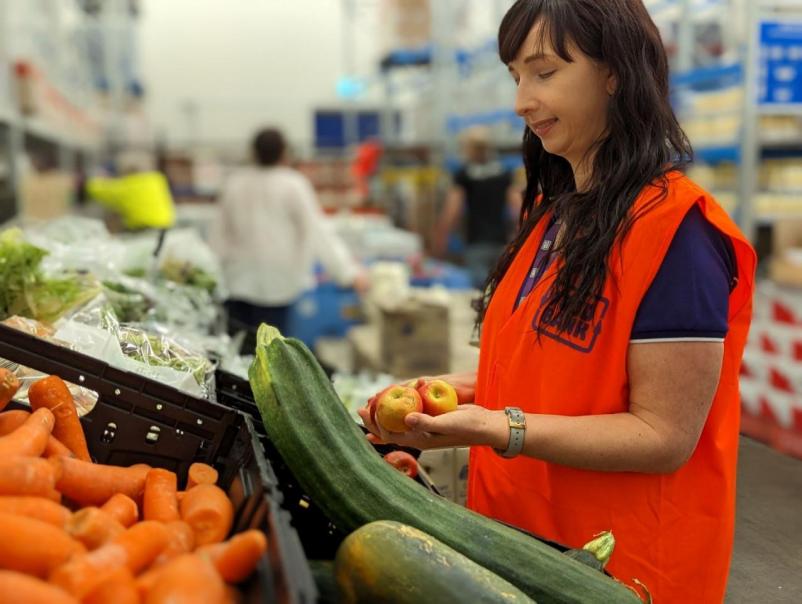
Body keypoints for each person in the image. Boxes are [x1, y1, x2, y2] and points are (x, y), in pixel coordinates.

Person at [359, 1, 756, 601]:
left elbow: (663, 433)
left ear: (614, 73)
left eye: (544, 73)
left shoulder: (679, 233)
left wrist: (500, 428)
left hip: (618, 571)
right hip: (521, 547)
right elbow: (554, 366)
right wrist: (454, 394)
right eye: (515, 76)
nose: (521, 101)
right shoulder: (554, 218)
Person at [212, 127, 367, 346]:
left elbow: (218, 236)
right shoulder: (293, 184)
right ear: (284, 153)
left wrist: (212, 276)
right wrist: (348, 273)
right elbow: (318, 232)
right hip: (278, 287)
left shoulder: (234, 184)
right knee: (274, 357)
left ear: (253, 152)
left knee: (237, 354)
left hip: (238, 283)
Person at [433, 127, 522, 289]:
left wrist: (442, 237)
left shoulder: (464, 174)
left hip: (476, 243)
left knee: (480, 294)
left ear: (469, 148)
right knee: (501, 289)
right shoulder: (503, 172)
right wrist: (520, 235)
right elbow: (518, 208)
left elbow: (453, 210)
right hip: (500, 242)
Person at [84, 150, 176, 230]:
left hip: (144, 230)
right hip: (164, 229)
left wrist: (90, 178)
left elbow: (98, 190)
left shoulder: (130, 185)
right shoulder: (156, 180)